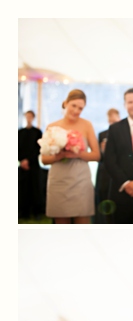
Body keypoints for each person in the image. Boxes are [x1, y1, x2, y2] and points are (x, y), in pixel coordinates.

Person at [40, 89, 100, 224]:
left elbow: (96, 155)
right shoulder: (52, 126)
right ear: (65, 103)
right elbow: (43, 159)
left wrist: (77, 154)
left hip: (80, 180)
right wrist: (59, 156)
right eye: (74, 106)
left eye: (80, 108)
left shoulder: (87, 125)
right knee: (61, 224)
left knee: (83, 222)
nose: (77, 111)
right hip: (58, 181)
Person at [103, 89, 133, 224]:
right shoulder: (115, 129)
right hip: (120, 191)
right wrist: (126, 183)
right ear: (125, 105)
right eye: (130, 102)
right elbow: (109, 160)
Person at [19, 109, 44, 220]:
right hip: (23, 166)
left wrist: (29, 160)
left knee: (35, 188)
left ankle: (37, 211)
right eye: (27, 116)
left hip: (33, 165)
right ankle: (23, 212)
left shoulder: (37, 132)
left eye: (30, 116)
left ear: (33, 117)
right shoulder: (20, 132)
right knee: (23, 188)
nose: (29, 118)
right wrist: (22, 160)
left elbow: (39, 148)